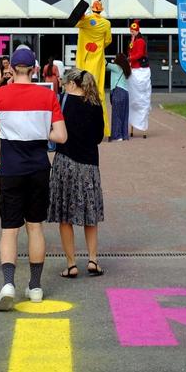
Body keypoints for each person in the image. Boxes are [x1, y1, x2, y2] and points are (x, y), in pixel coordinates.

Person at [0, 47, 68, 310]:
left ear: (10, 69)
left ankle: (9, 283)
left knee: (9, 230)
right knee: (35, 227)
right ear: (35, 69)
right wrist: (39, 128)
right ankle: (35, 286)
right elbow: (61, 137)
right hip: (38, 168)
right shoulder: (47, 96)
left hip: (11, 169)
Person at [48, 69, 106, 278]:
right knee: (90, 215)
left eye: (64, 82)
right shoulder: (95, 104)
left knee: (65, 217)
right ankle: (92, 260)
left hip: (65, 162)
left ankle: (71, 264)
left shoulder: (61, 102)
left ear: (72, 84)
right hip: (89, 165)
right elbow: (99, 136)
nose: (63, 85)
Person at [74, 0, 112, 137]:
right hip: (97, 63)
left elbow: (74, 22)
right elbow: (108, 40)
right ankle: (104, 130)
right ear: (101, 10)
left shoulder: (85, 20)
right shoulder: (106, 23)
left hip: (83, 62)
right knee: (98, 93)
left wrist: (82, 15)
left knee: (80, 92)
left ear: (92, 9)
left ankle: (81, 128)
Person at [128, 20, 152, 138]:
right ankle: (133, 122)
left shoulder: (141, 41)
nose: (132, 32)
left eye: (134, 31)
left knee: (141, 97)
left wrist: (129, 59)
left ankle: (142, 124)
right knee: (133, 97)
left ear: (138, 30)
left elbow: (140, 54)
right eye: (131, 31)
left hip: (140, 71)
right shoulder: (133, 41)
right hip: (134, 70)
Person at [106, 54, 131, 141]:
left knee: (116, 115)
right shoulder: (126, 69)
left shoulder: (116, 67)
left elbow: (105, 64)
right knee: (124, 115)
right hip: (125, 93)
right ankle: (124, 135)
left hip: (117, 92)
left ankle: (117, 136)